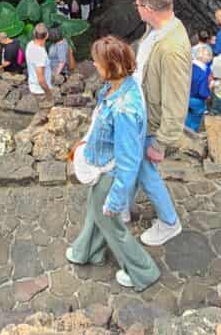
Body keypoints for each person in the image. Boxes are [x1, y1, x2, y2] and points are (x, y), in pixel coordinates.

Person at [66, 36, 161, 291]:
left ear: (112, 65)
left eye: (97, 62)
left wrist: (117, 198)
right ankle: (88, 252)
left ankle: (143, 271)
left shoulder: (125, 108)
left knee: (110, 221)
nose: (94, 66)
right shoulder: (116, 88)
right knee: (95, 211)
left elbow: (129, 161)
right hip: (102, 164)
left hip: (110, 172)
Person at [132, 0, 191, 246]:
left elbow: (177, 102)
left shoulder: (171, 49)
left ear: (147, 8)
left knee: (146, 170)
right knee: (134, 162)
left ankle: (169, 222)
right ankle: (121, 206)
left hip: (154, 123)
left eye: (137, 4)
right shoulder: (156, 30)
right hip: (144, 113)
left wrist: (161, 142)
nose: (135, 9)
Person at [187, 45, 213, 131]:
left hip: (185, 97)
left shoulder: (189, 67)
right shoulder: (203, 72)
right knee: (195, 121)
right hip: (197, 100)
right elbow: (202, 92)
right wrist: (209, 92)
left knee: (186, 118)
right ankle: (191, 137)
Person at [26, 23, 53, 103]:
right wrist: (48, 93)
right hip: (40, 90)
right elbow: (41, 79)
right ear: (47, 35)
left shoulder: (30, 44)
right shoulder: (40, 54)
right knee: (44, 112)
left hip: (32, 85)